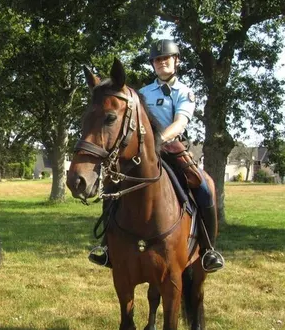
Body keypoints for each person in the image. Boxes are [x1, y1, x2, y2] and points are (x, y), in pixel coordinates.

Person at [88, 39, 225, 273]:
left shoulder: (185, 92)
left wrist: (159, 140)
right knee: (111, 188)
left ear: (176, 61)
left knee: (204, 186)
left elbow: (181, 122)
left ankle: (208, 249)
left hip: (172, 148)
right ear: (153, 64)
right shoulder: (141, 93)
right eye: (157, 60)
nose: (162, 63)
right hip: (141, 153)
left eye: (166, 58)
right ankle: (107, 247)